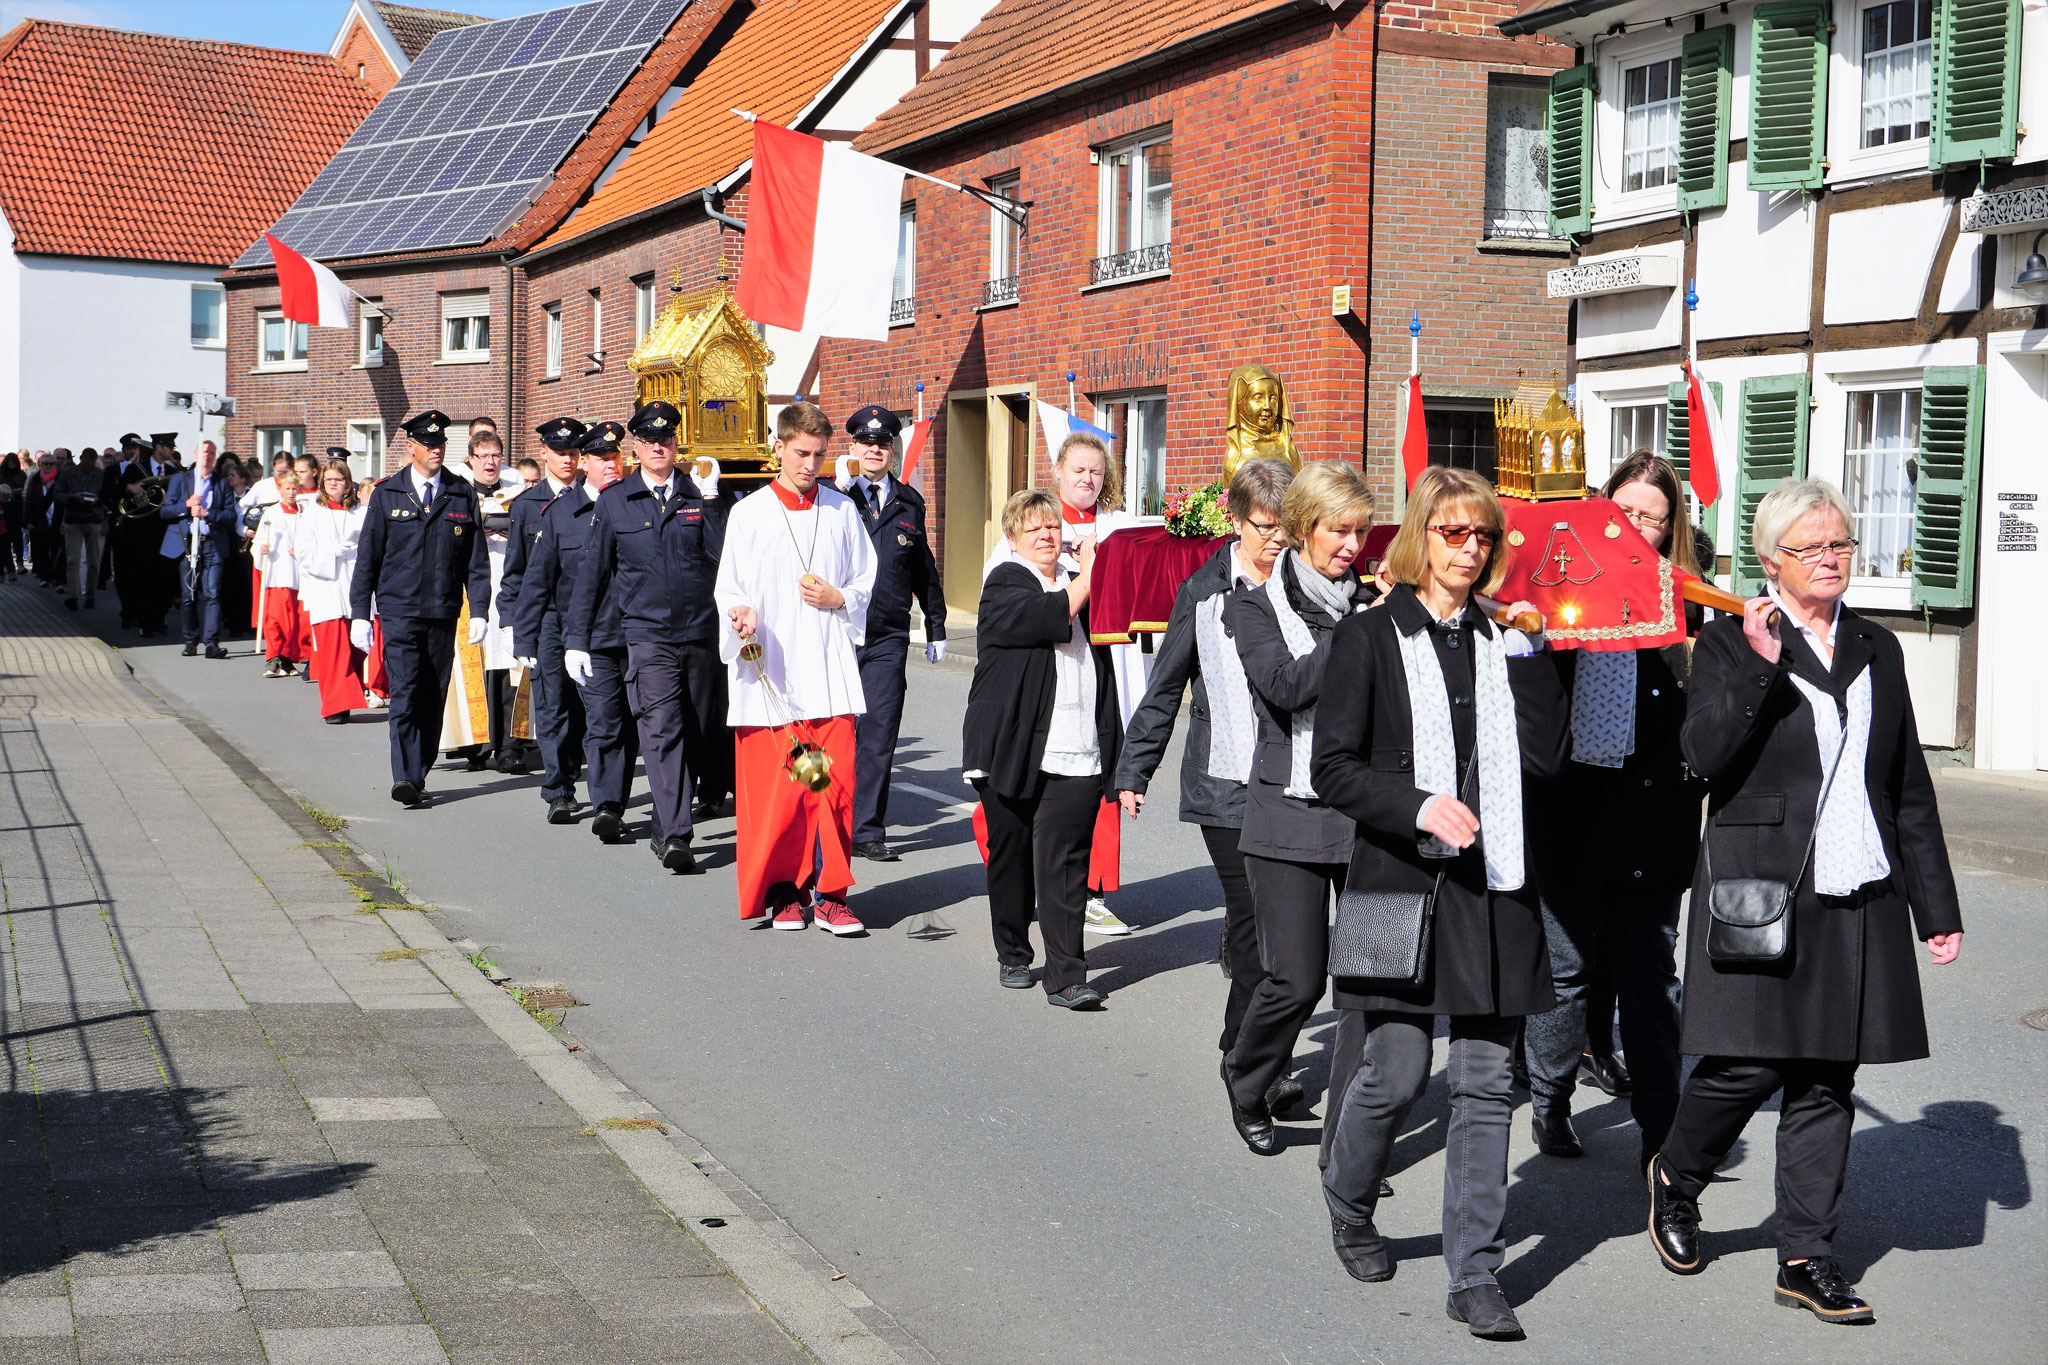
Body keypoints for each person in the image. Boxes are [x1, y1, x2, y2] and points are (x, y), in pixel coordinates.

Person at [1647, 477, 1963, 1325]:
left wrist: (1936, 906)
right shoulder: (1726, 640)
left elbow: (1905, 784)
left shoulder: (1875, 646)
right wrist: (1759, 662)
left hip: (1857, 885)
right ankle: (1677, 1176)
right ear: (1771, 559)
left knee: (1827, 1074)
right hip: (1765, 884)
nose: (1832, 558)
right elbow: (1702, 756)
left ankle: (1805, 1255)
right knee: (1747, 1062)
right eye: (1814, 546)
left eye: (1842, 544)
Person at [1312, 466, 1566, 1339]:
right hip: (1401, 882)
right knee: (1394, 1068)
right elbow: (1333, 768)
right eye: (1455, 533)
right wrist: (1417, 804)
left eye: (1484, 536)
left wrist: (1532, 663)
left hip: (1495, 888)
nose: (1470, 549)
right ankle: (1347, 1196)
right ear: (1423, 536)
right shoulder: (1370, 636)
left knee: (1488, 1079)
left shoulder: (1505, 638)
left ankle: (1475, 1271)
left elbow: (1545, 763)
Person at [1521, 452, 1704, 1166]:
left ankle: (1664, 1133)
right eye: (1624, 512)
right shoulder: (1561, 587)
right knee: (1566, 968)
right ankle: (1550, 1099)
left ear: (1670, 531)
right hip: (1571, 808)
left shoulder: (1685, 600)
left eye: (1651, 519)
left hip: (1652, 818)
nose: (1636, 527)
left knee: (1649, 973)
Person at [1116, 459, 1297, 1085]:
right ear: (1238, 521)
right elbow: (1165, 686)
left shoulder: (1306, 586)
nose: (1278, 539)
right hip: (1223, 781)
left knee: (1279, 932)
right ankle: (1244, 1058)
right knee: (1255, 919)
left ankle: (1257, 1052)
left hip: (1294, 781)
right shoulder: (1204, 591)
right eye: (1267, 526)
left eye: (1287, 527)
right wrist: (1134, 772)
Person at [1222, 459, 1379, 1156]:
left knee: (1370, 980)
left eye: (1360, 532)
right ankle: (1247, 1076)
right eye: (1337, 531)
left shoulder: (1373, 599)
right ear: (1302, 528)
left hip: (1365, 810)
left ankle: (1351, 1132)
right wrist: (1357, 631)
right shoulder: (1254, 604)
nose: (1351, 546)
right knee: (1296, 977)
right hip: (1288, 811)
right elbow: (1285, 686)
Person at [712, 401, 875, 931]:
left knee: (834, 788)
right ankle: (785, 891)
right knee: (780, 796)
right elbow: (728, 588)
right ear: (778, 448)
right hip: (772, 676)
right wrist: (740, 614)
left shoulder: (842, 511)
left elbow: (865, 582)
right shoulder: (749, 513)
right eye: (801, 453)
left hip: (828, 673)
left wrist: (840, 598)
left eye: (819, 455)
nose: (810, 464)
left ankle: (831, 893)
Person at [979, 432, 1140, 936]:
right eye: (1079, 471)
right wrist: (1086, 568)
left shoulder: (1119, 528)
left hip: (1102, 670)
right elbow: (1023, 606)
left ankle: (1088, 892)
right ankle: (1023, 919)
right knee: (1021, 816)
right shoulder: (1028, 537)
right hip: (1034, 696)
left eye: (1097, 472)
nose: (1088, 480)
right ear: (1059, 474)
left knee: (1097, 782)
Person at [965, 488, 1121, 1007]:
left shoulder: (1081, 585)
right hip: (1012, 744)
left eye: (1052, 526)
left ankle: (1067, 975)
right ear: (1013, 537)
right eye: (1032, 528)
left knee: (1065, 862)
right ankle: (1013, 952)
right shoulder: (1007, 581)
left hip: (1075, 746)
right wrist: (1092, 573)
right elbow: (1046, 617)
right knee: (1010, 855)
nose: (1045, 535)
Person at [568, 402, 726, 872]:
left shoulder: (700, 493)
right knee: (661, 729)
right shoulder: (617, 500)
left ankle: (663, 822)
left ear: (677, 443)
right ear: (635, 446)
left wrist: (714, 499)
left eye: (667, 439)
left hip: (701, 633)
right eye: (648, 440)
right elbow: (592, 576)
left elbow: (725, 558)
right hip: (646, 634)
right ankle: (678, 834)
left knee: (696, 733)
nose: (659, 446)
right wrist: (576, 638)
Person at [348, 410, 494, 808]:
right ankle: (405, 776)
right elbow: (368, 559)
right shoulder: (387, 493)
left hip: (443, 611)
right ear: (410, 447)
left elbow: (475, 561)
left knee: (434, 695)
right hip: (399, 611)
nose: (435, 450)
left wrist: (479, 609)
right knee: (407, 692)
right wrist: (360, 612)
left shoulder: (460, 492)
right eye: (428, 444)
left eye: (440, 444)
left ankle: (420, 768)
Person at [841, 404, 947, 862]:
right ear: (853, 448)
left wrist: (937, 623)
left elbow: (923, 570)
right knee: (833, 734)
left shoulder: (909, 502)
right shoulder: (834, 498)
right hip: (837, 633)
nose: (874, 451)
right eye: (866, 443)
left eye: (882, 444)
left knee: (879, 733)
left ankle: (866, 830)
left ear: (891, 451)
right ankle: (825, 817)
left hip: (886, 636)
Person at [528, 423, 638, 838]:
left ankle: (614, 797)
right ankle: (596, 801)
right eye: (602, 458)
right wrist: (526, 636)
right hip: (583, 631)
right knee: (595, 717)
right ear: (584, 463)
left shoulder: (634, 502)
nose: (612, 464)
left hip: (636, 626)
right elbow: (538, 579)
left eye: (616, 457)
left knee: (630, 723)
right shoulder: (558, 513)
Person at [502, 417, 587, 821]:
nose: (567, 460)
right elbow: (517, 570)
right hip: (548, 616)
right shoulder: (527, 504)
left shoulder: (596, 499)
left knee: (582, 704)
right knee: (553, 703)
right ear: (545, 455)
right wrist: (513, 622)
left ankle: (571, 770)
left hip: (586, 617)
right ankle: (558, 788)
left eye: (573, 453)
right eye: (560, 453)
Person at [444, 431, 528, 772]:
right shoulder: (458, 494)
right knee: (475, 665)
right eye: (483, 456)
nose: (490, 462)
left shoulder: (518, 494)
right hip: (472, 590)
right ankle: (478, 743)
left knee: (509, 663)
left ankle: (510, 744)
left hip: (510, 585)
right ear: (471, 460)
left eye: (495, 455)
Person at [297, 458, 368, 723]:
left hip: (353, 584)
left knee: (354, 648)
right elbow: (303, 552)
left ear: (347, 482)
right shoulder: (312, 513)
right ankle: (334, 705)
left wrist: (355, 552)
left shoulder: (360, 512)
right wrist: (331, 554)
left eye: (338, 479)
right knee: (331, 648)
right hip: (326, 585)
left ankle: (346, 700)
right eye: (329, 480)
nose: (334, 484)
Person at [160, 441, 236, 658]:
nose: (208, 456)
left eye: (212, 453)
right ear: (196, 453)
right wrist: (186, 505)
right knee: (189, 594)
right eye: (205, 452)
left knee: (212, 593)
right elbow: (165, 512)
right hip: (188, 543)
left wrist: (207, 513)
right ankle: (190, 640)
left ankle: (211, 643)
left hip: (212, 543)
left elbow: (230, 515)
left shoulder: (221, 483)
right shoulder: (180, 479)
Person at [252, 462, 310, 678]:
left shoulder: (305, 512)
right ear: (280, 489)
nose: (291, 492)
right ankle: (273, 657)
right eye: (287, 488)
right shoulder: (271, 513)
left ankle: (287, 658)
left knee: (295, 620)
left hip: (299, 572)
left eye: (295, 488)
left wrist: (303, 549)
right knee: (276, 618)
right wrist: (261, 548)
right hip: (278, 572)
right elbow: (258, 542)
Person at [58, 447, 106, 610]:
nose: (88, 467)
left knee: (93, 561)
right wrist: (72, 496)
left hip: (93, 519)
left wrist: (98, 499)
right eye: (86, 464)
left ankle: (90, 595)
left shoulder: (99, 474)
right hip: (74, 519)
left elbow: (107, 495)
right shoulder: (68, 473)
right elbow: (57, 494)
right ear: (81, 460)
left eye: (91, 464)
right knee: (73, 560)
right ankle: (73, 595)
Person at [24, 450, 62, 588]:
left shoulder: (60, 478)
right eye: (45, 464)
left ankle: (57, 579)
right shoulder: (34, 479)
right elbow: (28, 500)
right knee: (42, 551)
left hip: (57, 519)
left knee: (57, 550)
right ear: (40, 464)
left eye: (51, 463)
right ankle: (45, 577)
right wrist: (27, 521)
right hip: (40, 520)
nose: (48, 466)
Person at [0, 451, 23, 579]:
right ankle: (6, 569)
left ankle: (16, 566)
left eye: (14, 463)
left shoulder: (20, 475)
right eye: (10, 463)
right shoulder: (2, 474)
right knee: (4, 544)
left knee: (15, 539)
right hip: (3, 511)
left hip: (15, 511)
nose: (12, 465)